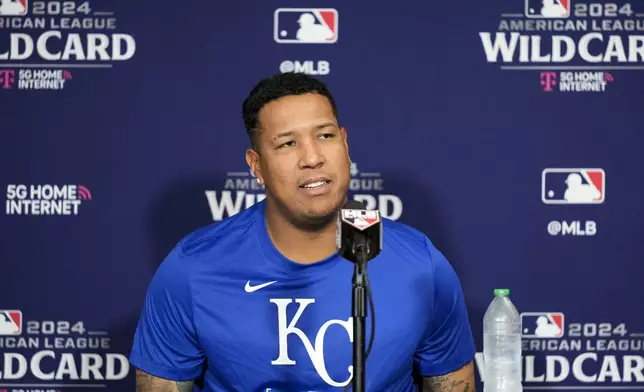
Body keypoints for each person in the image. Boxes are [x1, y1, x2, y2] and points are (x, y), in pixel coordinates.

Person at [129, 73, 476, 391]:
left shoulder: (421, 265)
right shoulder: (192, 268)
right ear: (256, 166)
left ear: (346, 144)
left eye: (325, 136)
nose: (312, 157)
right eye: (287, 144)